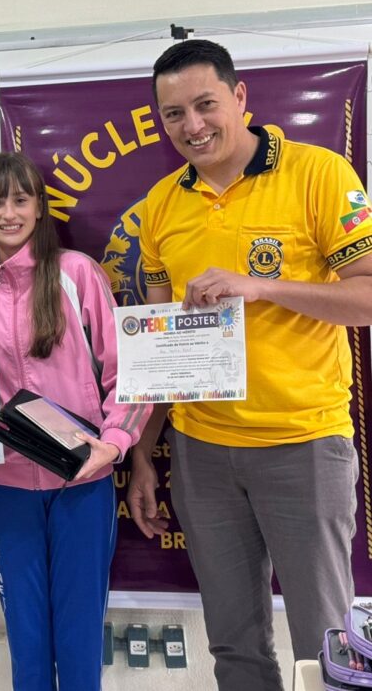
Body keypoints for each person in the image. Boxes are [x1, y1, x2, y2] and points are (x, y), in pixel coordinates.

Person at [127, 39, 372, 690]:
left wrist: (260, 286)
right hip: (203, 451)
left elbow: (368, 297)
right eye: (173, 114)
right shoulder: (160, 207)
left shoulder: (318, 173)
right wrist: (146, 452)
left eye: (205, 105)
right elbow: (162, 347)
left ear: (239, 98)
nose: (192, 125)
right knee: (235, 647)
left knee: (326, 652)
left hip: (304, 444)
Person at [0, 152, 149, 690]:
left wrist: (113, 443)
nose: (8, 213)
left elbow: (126, 369)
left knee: (79, 637)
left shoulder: (75, 273)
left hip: (82, 484)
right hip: (7, 486)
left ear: (39, 206)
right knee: (27, 638)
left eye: (20, 199)